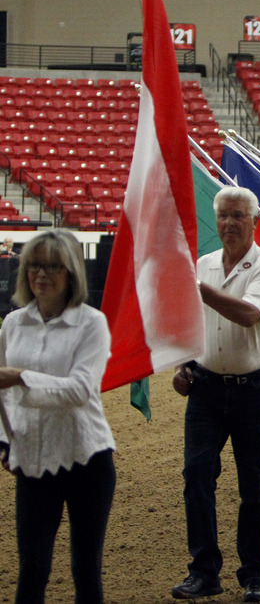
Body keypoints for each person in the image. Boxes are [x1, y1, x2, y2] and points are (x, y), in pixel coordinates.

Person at [170, 187, 260, 603]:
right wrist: (183, 365)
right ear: (215, 221)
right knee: (196, 476)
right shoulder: (202, 267)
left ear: (254, 222)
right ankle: (204, 570)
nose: (230, 224)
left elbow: (250, 314)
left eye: (238, 216)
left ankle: (255, 573)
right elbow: (189, 325)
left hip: (254, 389)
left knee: (254, 485)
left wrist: (197, 288)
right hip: (205, 387)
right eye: (223, 216)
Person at [0, 230, 116, 604]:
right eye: (34, 265)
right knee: (32, 567)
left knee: (86, 568)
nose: (41, 275)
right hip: (33, 459)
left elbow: (80, 390)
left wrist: (21, 377)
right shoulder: (13, 324)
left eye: (52, 266)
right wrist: (3, 440)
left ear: (71, 274)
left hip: (87, 457)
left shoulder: (92, 323)